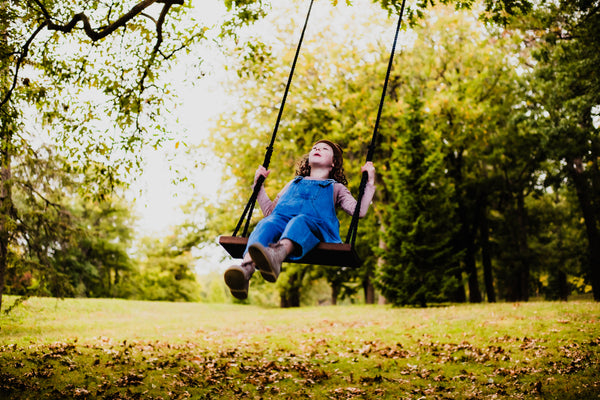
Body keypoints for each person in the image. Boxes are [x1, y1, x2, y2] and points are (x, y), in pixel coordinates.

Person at [224, 139, 376, 300]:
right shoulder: (292, 183)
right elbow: (270, 212)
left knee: (300, 221)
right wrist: (258, 187)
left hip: (316, 229)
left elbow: (358, 211)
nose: (317, 149)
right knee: (267, 223)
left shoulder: (336, 188)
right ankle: (245, 270)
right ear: (308, 161)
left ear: (333, 163)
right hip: (282, 223)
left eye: (324, 149)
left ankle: (277, 255)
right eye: (315, 148)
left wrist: (370, 182)